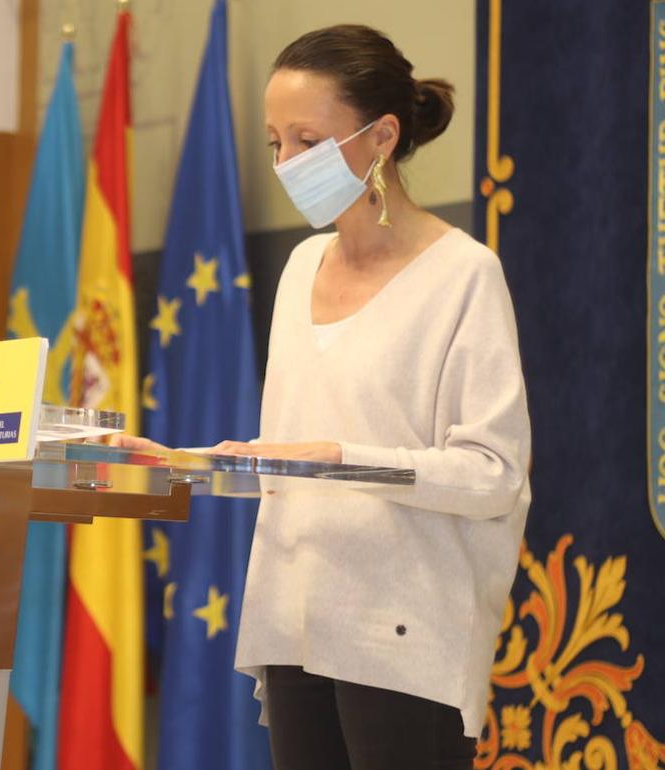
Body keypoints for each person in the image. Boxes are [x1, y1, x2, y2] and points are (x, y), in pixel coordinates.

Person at [119, 24, 530, 770]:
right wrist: (181, 462)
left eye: (307, 141)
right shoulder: (301, 267)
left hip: (405, 636)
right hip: (293, 622)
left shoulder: (464, 274)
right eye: (275, 143)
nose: (286, 164)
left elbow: (493, 474)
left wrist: (342, 458)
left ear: (383, 137)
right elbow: (288, 458)